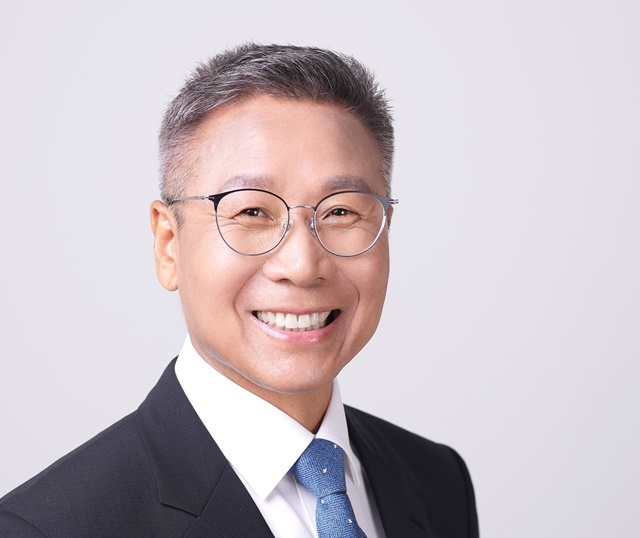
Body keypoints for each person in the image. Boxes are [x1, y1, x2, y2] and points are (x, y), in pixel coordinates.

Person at [0, 43, 479, 537]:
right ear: (169, 244)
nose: (302, 266)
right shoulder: (45, 528)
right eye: (251, 211)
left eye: (341, 211)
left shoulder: (438, 481)